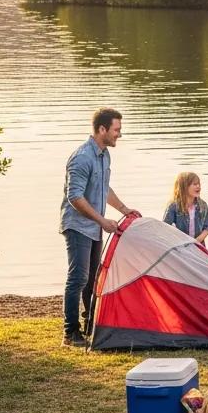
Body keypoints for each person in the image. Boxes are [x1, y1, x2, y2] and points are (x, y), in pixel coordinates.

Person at [59, 107, 139, 347]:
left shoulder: (104, 155)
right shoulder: (82, 157)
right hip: (77, 226)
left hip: (93, 226)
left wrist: (124, 210)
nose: (119, 135)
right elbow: (75, 197)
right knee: (78, 278)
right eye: (116, 130)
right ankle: (70, 333)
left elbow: (105, 189)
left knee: (94, 278)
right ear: (102, 129)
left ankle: (90, 325)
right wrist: (102, 221)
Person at [162, 172, 208, 244]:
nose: (198, 186)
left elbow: (207, 228)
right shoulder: (173, 206)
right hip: (180, 246)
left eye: (199, 184)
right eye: (194, 184)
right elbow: (165, 228)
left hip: (198, 246)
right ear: (184, 187)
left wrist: (196, 242)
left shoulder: (203, 205)